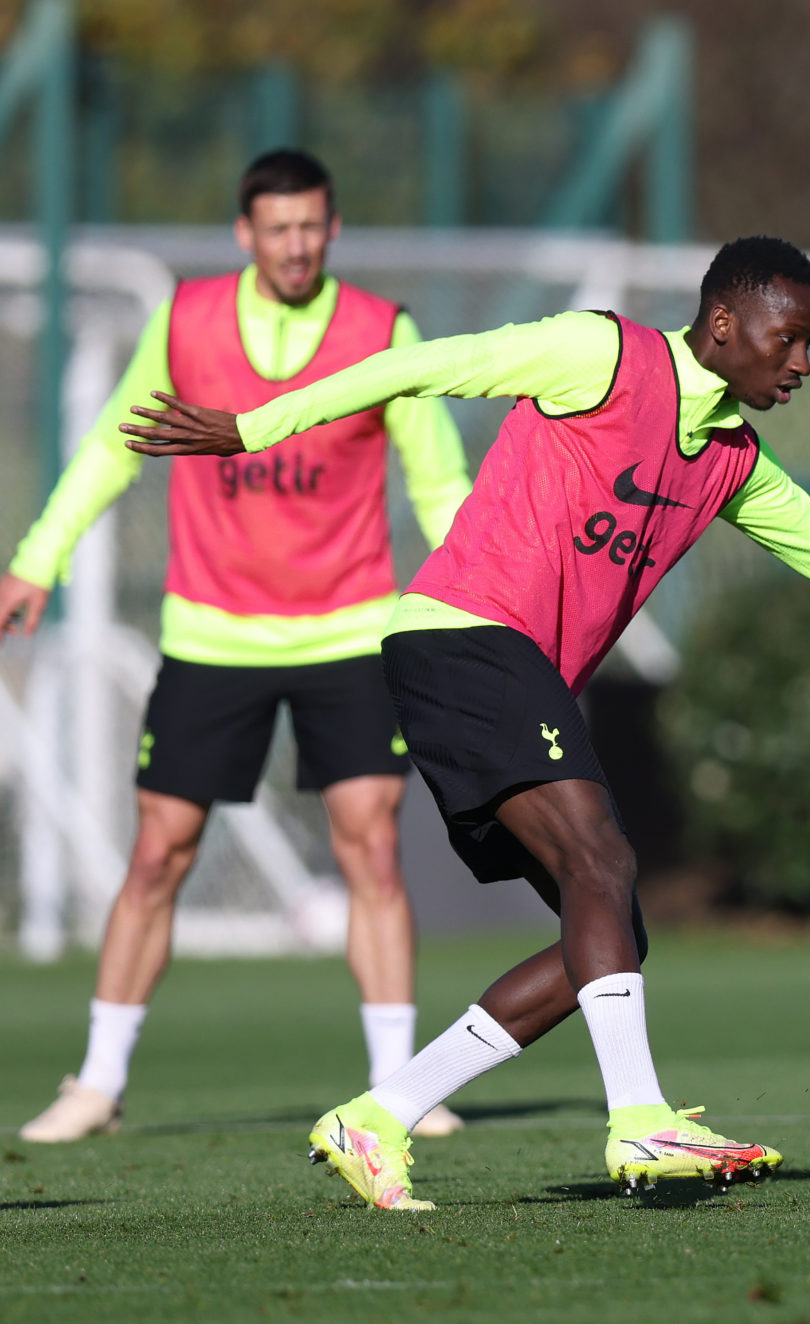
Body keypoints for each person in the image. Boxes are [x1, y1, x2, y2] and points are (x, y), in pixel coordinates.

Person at [122, 235, 810, 1211]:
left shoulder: (733, 462)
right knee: (604, 862)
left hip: (506, 672)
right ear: (723, 323)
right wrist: (254, 427)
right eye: (787, 338)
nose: (801, 362)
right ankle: (640, 1119)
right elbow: (420, 364)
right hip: (463, 636)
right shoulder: (599, 355)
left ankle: (378, 1115)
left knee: (608, 935)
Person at [0, 150, 472, 1143]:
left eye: (312, 226)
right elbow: (111, 448)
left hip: (350, 631)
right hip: (212, 636)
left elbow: (439, 482)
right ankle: (97, 1080)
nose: (296, 244)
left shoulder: (384, 331)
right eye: (277, 228)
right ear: (243, 235)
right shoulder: (185, 321)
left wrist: (486, 593)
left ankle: (397, 1086)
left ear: (333, 228)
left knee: (374, 849)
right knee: (160, 852)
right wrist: (37, 559)